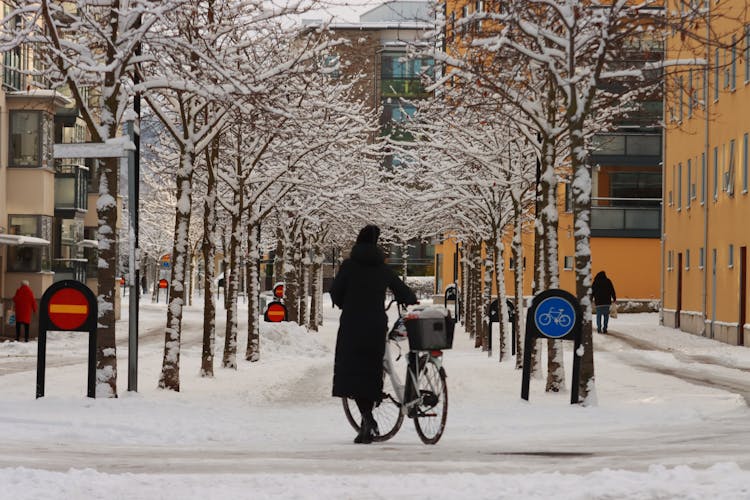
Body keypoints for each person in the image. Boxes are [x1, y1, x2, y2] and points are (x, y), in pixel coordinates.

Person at [330, 225, 417, 444]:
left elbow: (335, 292)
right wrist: (408, 298)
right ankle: (368, 422)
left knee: (351, 371)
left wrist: (347, 303)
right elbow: (402, 290)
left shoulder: (349, 266)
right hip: (375, 325)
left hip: (351, 325)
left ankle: (367, 420)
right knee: (371, 371)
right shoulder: (381, 268)